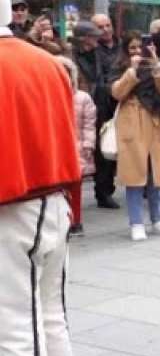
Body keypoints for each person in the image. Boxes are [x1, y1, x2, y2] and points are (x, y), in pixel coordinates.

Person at [0, 0, 91, 356]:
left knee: (18, 318)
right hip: (53, 196)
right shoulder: (46, 61)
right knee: (50, 311)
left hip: (14, 203)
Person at [110, 32, 160, 241]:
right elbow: (117, 93)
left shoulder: (156, 65)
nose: (138, 52)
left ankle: (158, 219)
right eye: (133, 48)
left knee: (157, 176)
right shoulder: (120, 67)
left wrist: (156, 65)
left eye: (142, 48)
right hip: (132, 122)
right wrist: (131, 71)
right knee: (135, 176)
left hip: (155, 121)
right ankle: (136, 223)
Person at [73, 20, 118, 209]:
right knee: (77, 151)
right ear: (83, 38)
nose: (96, 40)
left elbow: (108, 75)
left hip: (101, 106)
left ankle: (104, 192)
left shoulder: (100, 54)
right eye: (93, 37)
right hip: (78, 108)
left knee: (104, 152)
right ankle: (73, 195)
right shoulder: (71, 54)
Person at [55, 56, 95, 237]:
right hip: (56, 148)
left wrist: (88, 144)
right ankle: (61, 220)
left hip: (76, 147)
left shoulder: (82, 98)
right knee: (57, 189)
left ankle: (76, 220)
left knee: (76, 188)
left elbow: (89, 123)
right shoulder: (48, 96)